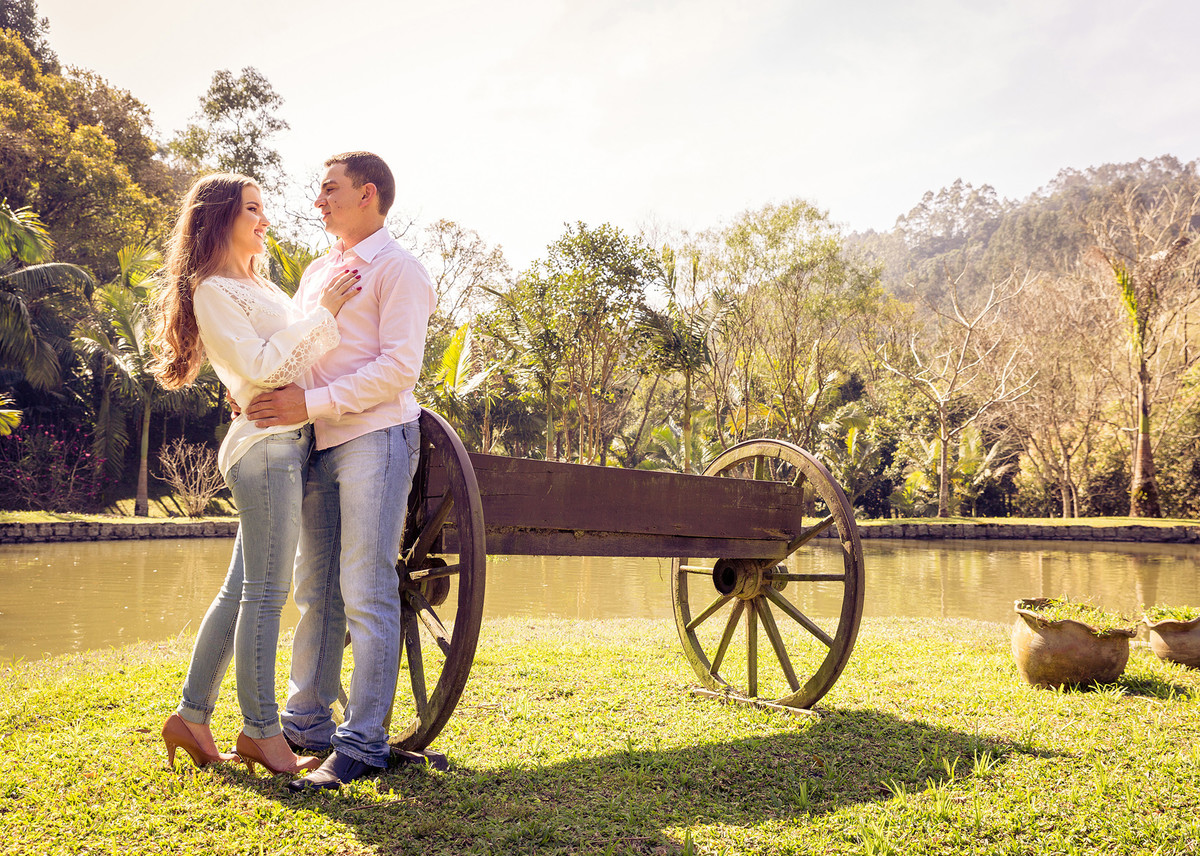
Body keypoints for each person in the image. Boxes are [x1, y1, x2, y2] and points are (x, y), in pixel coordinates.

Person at [150, 173, 362, 775]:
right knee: (266, 595)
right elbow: (268, 367)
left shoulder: (259, 284)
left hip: (283, 442)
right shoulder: (214, 290)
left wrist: (311, 329)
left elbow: (288, 359)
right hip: (267, 450)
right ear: (220, 220)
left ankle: (191, 718)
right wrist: (326, 312)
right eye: (253, 209)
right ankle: (262, 732)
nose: (265, 220)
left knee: (237, 591)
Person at [244, 151, 436, 790]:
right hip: (315, 443)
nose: (318, 202)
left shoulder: (401, 270)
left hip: (374, 439)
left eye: (329, 190)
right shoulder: (319, 273)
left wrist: (310, 402)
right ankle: (305, 724)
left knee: (364, 584)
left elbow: (399, 370)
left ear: (368, 194)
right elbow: (302, 348)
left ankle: (362, 743)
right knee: (315, 586)